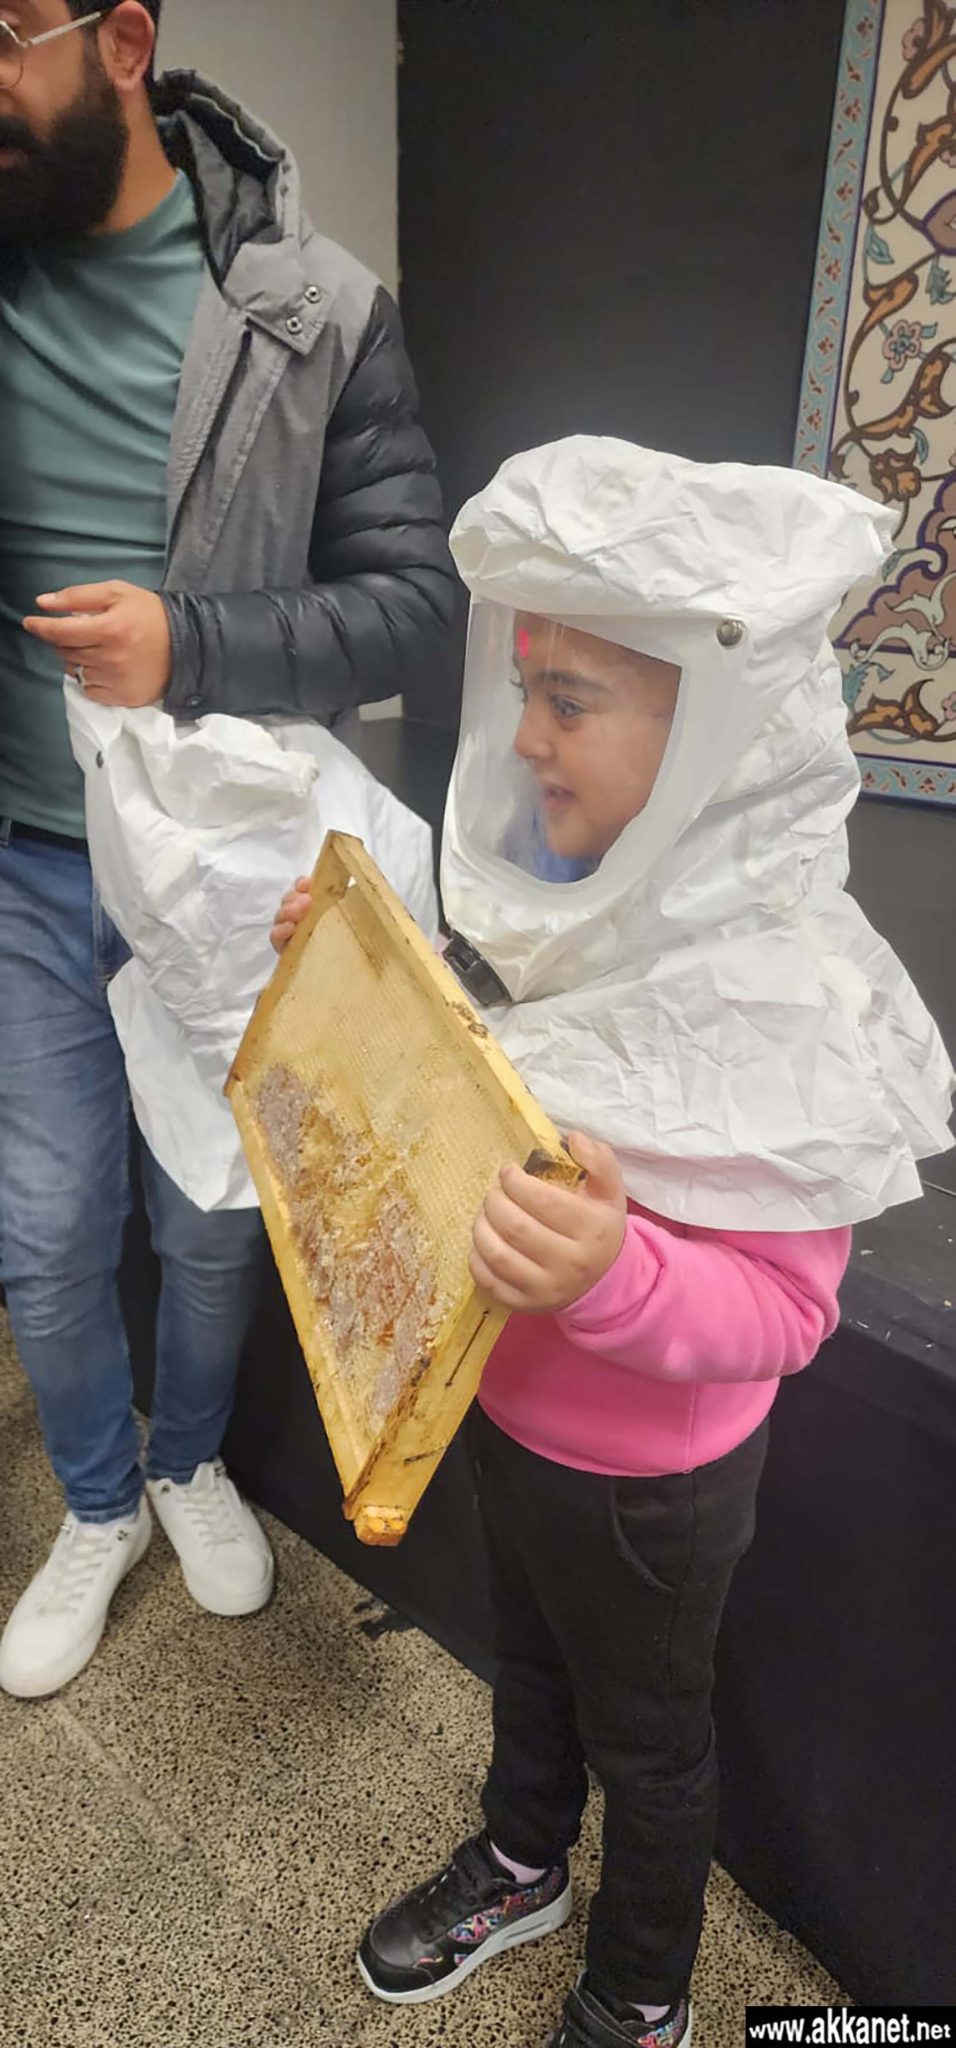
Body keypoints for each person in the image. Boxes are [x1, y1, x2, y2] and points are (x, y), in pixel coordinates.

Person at [272, 438, 954, 2048]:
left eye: (570, 700)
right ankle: (522, 1862)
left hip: (656, 1487)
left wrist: (615, 1274)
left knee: (650, 1744)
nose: (526, 736)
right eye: (526, 689)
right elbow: (487, 1072)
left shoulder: (791, 1008)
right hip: (505, 1414)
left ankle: (642, 1989)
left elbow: (786, 1314)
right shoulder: (565, 905)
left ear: (712, 730)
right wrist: (355, 972)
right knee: (530, 1667)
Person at [0, 0, 456, 1701]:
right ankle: (99, 1505)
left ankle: (187, 1459)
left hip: (222, 882)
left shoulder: (318, 309)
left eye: (5, 31)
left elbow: (412, 606)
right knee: (46, 1229)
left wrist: (188, 645)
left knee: (212, 1219)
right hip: (26, 866)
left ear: (121, 43)